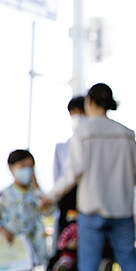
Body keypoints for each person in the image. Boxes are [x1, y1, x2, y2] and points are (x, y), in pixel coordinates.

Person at [41, 83, 136, 271]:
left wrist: (51, 196)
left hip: (91, 212)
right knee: (131, 266)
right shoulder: (126, 134)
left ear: (90, 102)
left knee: (88, 269)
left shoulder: (83, 133)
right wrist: (121, 186)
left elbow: (72, 173)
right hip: (122, 211)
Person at [53, 96, 86, 236]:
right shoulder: (62, 147)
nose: (77, 117)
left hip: (88, 202)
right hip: (68, 202)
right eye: (73, 113)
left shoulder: (97, 144)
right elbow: (59, 177)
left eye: (80, 112)